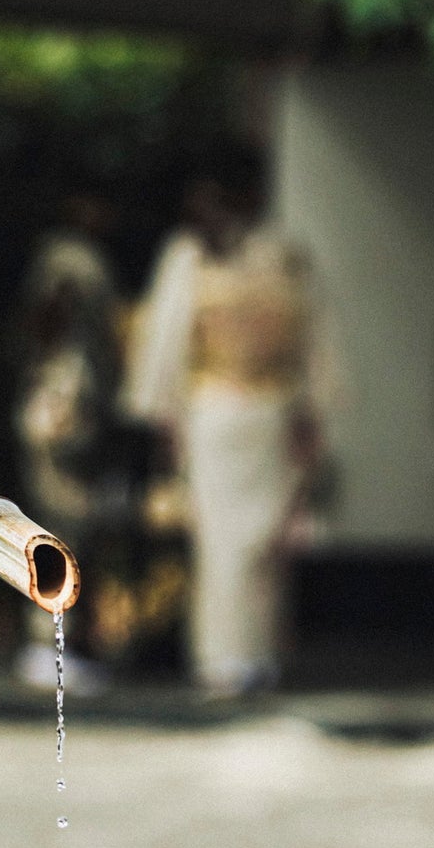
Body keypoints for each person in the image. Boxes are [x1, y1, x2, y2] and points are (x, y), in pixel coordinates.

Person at [123, 141, 327, 695]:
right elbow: (314, 343)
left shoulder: (206, 255)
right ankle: (240, 655)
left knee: (246, 541)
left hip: (232, 410)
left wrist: (162, 412)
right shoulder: (275, 254)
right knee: (242, 541)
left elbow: (165, 346)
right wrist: (313, 410)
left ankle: (237, 655)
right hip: (248, 409)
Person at [13, 182, 126, 691]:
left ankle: (58, 642)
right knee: (61, 523)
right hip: (59, 404)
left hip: (62, 400)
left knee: (69, 521)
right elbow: (48, 316)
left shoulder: (65, 255)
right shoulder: (70, 258)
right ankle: (47, 644)